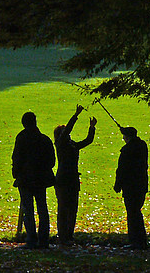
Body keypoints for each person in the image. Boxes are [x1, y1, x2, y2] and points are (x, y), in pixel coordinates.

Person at [11, 111, 56, 248]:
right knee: (42, 208)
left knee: (28, 209)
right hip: (40, 180)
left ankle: (31, 239)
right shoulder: (44, 139)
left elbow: (16, 158)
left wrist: (16, 173)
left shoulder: (21, 138)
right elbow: (52, 161)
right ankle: (43, 240)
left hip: (25, 179)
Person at [53, 105, 97, 247]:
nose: (69, 134)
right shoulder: (60, 144)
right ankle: (63, 236)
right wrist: (76, 115)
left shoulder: (71, 145)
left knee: (72, 209)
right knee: (63, 209)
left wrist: (92, 128)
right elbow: (68, 130)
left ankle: (68, 236)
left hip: (71, 179)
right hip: (64, 180)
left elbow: (87, 141)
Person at [113, 126, 149, 249]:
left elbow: (122, 169)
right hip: (141, 185)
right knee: (136, 212)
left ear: (127, 137)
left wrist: (117, 185)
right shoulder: (142, 146)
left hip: (130, 186)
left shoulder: (127, 150)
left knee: (132, 214)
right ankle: (141, 240)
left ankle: (135, 241)